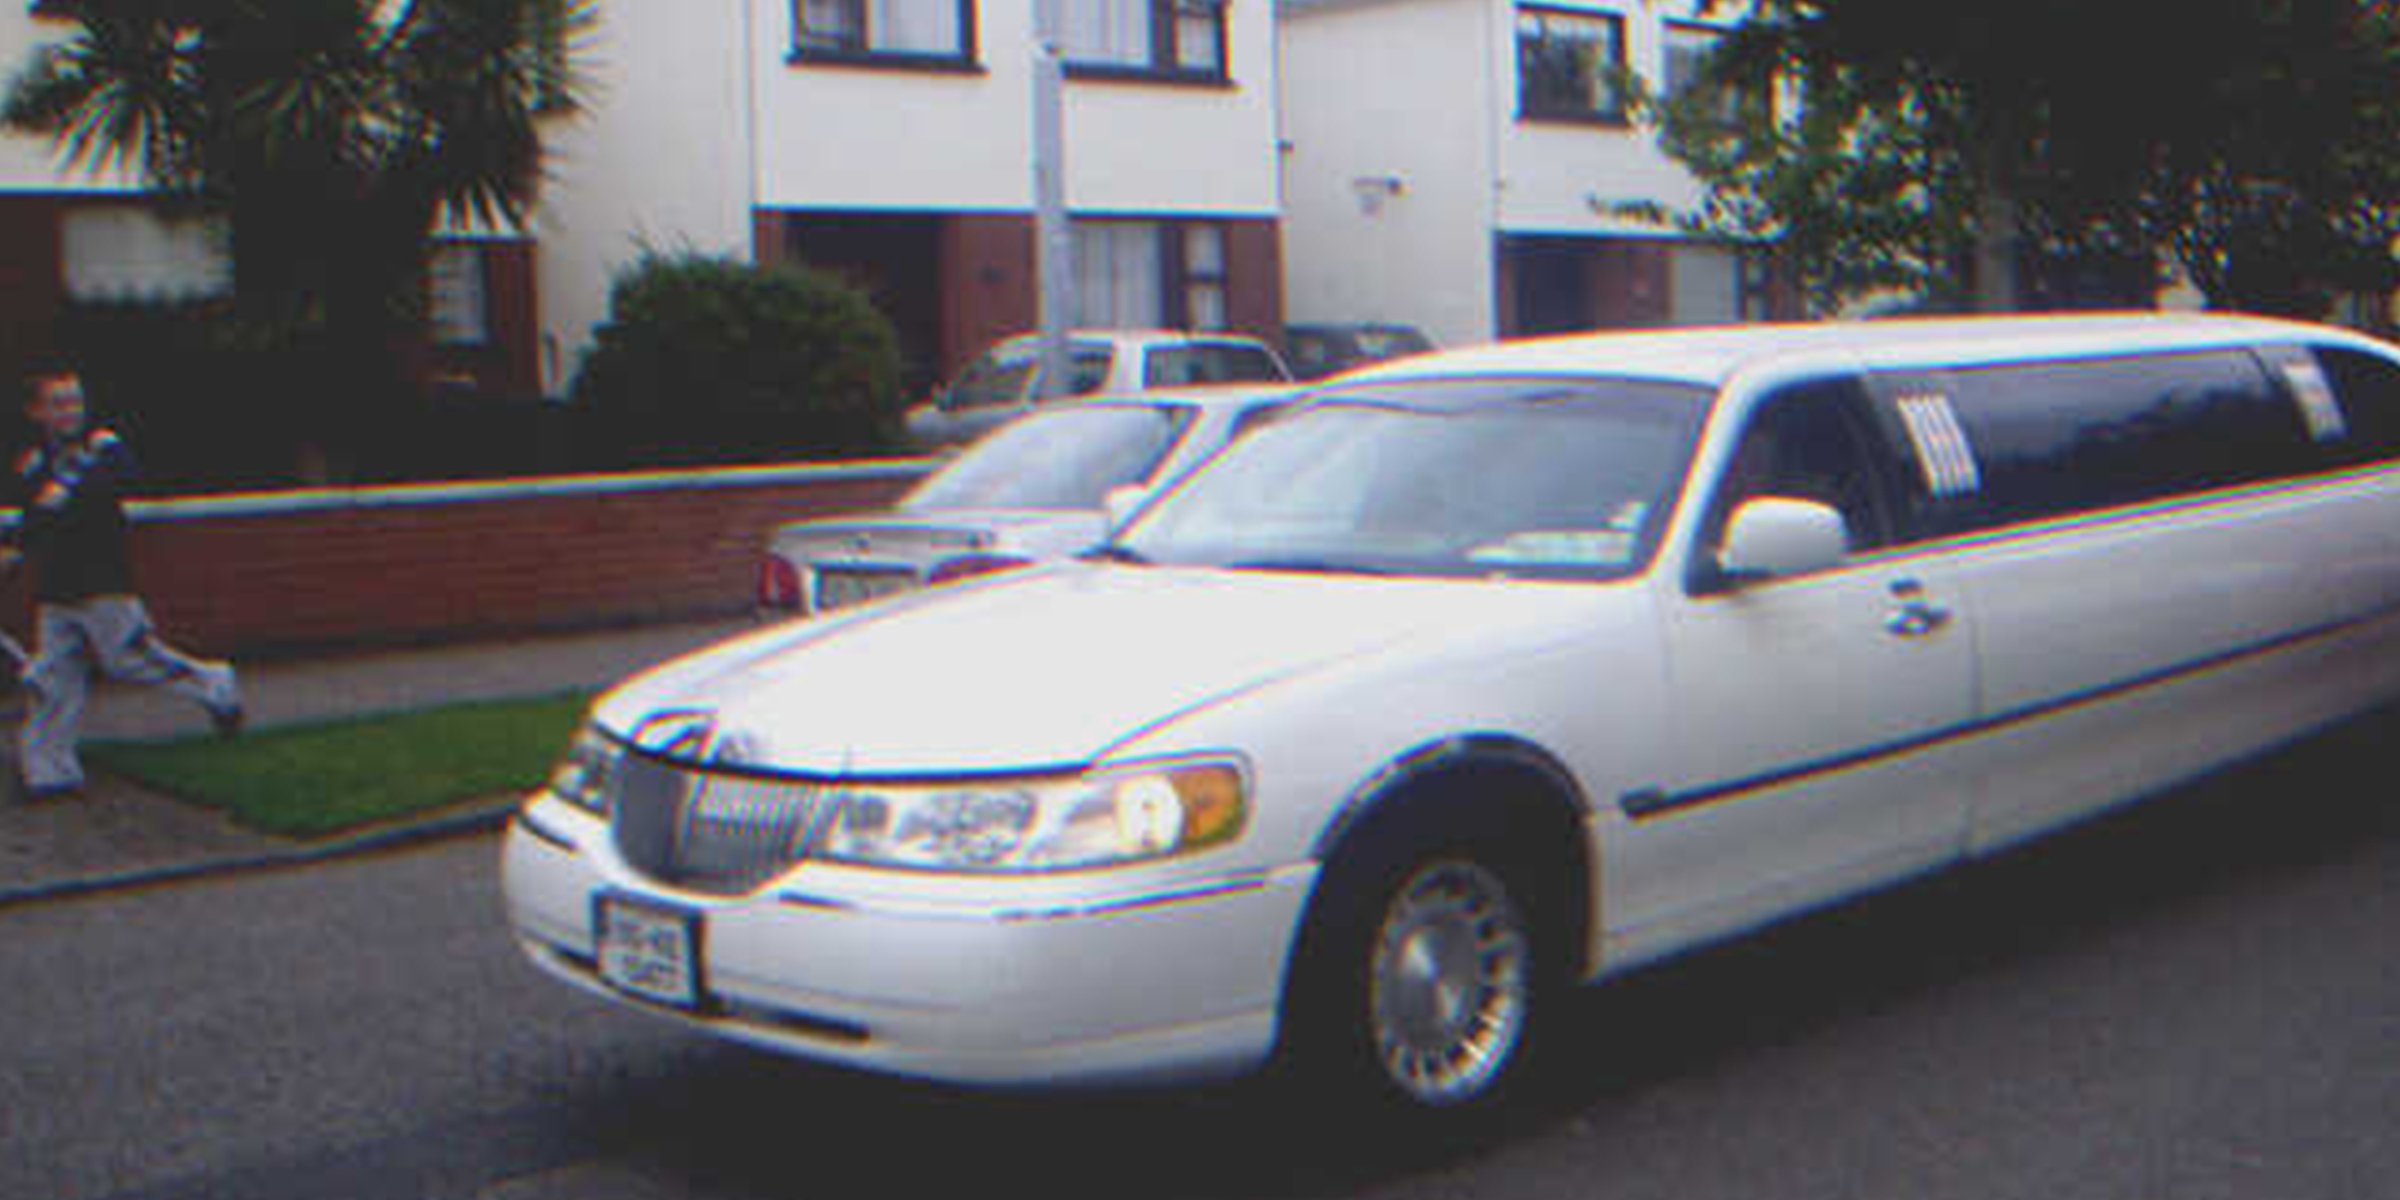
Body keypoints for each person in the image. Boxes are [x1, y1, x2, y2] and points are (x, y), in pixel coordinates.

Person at [3, 369, 241, 801]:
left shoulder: (103, 448)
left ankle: (213, 683)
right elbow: (35, 517)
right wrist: (17, 548)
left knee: (128, 661)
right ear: (36, 412)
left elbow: (126, 480)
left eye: (74, 401)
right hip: (56, 590)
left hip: (103, 582)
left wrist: (69, 491)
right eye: (57, 404)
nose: (68, 412)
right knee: (52, 682)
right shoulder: (33, 462)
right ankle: (49, 772)